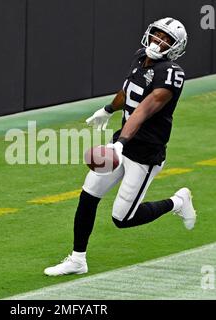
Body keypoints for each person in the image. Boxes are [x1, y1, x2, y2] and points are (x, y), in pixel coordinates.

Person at [44, 17, 196, 276]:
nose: (158, 41)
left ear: (175, 47)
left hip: (144, 154)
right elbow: (128, 91)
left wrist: (121, 144)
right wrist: (108, 109)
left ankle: (177, 202)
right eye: (157, 34)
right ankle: (78, 259)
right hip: (121, 144)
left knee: (122, 218)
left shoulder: (171, 74)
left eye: (166, 39)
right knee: (88, 194)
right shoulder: (140, 57)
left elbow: (144, 109)